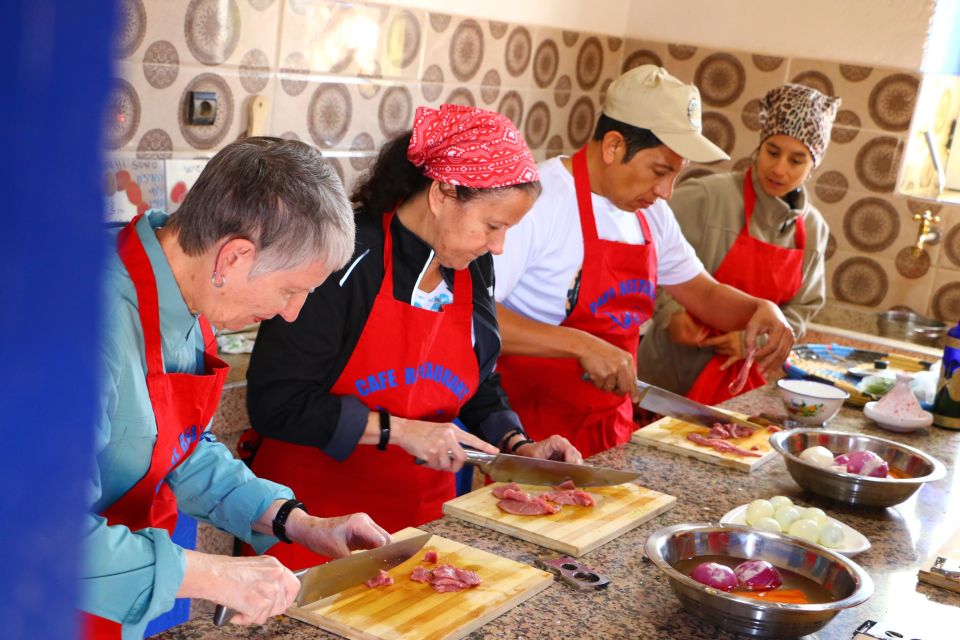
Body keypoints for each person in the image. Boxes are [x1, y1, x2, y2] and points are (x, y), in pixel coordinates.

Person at [244, 104, 581, 570]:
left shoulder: (471, 264)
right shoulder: (342, 257)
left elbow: (478, 383)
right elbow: (277, 402)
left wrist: (518, 445)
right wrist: (398, 432)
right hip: (315, 525)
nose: (499, 246)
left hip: (419, 525)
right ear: (443, 193)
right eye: (493, 226)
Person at [82, 137, 392, 639]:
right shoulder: (86, 329)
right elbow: (37, 533)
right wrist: (215, 574)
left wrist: (296, 522)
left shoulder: (185, 296)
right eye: (291, 291)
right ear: (233, 258)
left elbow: (179, 448)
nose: (292, 313)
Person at [492, 66, 796, 459]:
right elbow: (472, 315)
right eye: (660, 171)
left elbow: (701, 292)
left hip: (611, 429)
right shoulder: (539, 201)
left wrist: (758, 309)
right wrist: (579, 344)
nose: (667, 192)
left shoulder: (649, 212)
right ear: (614, 146)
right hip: (530, 435)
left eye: (677, 174)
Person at [637, 83, 838, 405]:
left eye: (797, 160)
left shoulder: (813, 229)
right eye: (772, 152)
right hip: (669, 378)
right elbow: (645, 251)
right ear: (759, 146)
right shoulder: (706, 196)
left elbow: (803, 307)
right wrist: (670, 313)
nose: (779, 169)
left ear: (813, 166)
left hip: (740, 392)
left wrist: (755, 341)